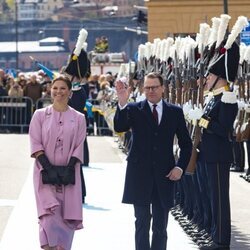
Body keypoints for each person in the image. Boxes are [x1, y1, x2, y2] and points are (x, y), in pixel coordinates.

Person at [114, 72, 192, 250]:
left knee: (160, 226)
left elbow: (186, 144)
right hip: (139, 174)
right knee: (141, 222)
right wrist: (122, 102)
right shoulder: (134, 109)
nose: (151, 91)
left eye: (155, 87)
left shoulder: (175, 112)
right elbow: (119, 127)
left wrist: (180, 167)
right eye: (147, 87)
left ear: (163, 88)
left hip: (164, 175)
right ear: (143, 89)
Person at [29, 75, 86, 250]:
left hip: (70, 175)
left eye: (62, 88)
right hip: (43, 174)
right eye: (55, 88)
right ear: (50, 90)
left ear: (70, 92)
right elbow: (35, 141)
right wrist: (48, 167)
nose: (58, 92)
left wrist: (69, 168)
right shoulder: (39, 115)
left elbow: (79, 144)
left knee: (65, 217)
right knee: (48, 216)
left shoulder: (79, 118)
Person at [198, 41, 239, 250]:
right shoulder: (214, 98)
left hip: (219, 154)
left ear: (219, 77)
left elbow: (223, 130)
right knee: (211, 197)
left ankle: (222, 241)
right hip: (209, 153)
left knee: (220, 199)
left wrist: (203, 120)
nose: (207, 79)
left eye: (210, 76)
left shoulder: (228, 97)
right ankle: (215, 235)